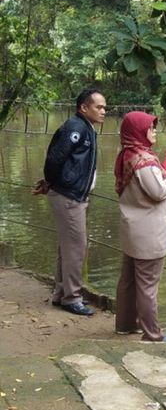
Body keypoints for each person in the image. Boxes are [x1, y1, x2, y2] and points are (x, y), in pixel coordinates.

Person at [113, 111, 166, 342]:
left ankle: (125, 325)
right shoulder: (144, 161)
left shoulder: (127, 154)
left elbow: (148, 185)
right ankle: (153, 335)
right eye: (151, 127)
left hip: (133, 230)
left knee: (128, 281)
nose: (154, 131)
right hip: (149, 234)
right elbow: (157, 192)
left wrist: (165, 173)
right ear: (138, 130)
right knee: (148, 286)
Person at [42, 89, 106, 316]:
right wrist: (52, 181)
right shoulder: (76, 128)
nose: (103, 111)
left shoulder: (85, 128)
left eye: (104, 107)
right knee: (77, 248)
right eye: (98, 107)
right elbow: (55, 158)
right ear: (83, 108)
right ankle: (72, 297)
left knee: (67, 247)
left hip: (72, 195)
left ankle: (61, 293)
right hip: (69, 196)